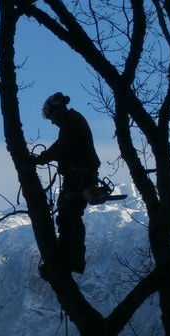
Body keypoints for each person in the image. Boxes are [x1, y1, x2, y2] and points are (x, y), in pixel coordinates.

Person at [34, 92, 100, 274]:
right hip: (81, 176)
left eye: (51, 117)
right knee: (69, 216)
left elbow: (61, 146)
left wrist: (41, 159)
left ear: (57, 112)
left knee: (68, 217)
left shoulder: (71, 123)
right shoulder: (74, 121)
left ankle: (69, 259)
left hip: (79, 177)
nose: (52, 122)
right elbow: (62, 146)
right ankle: (71, 259)